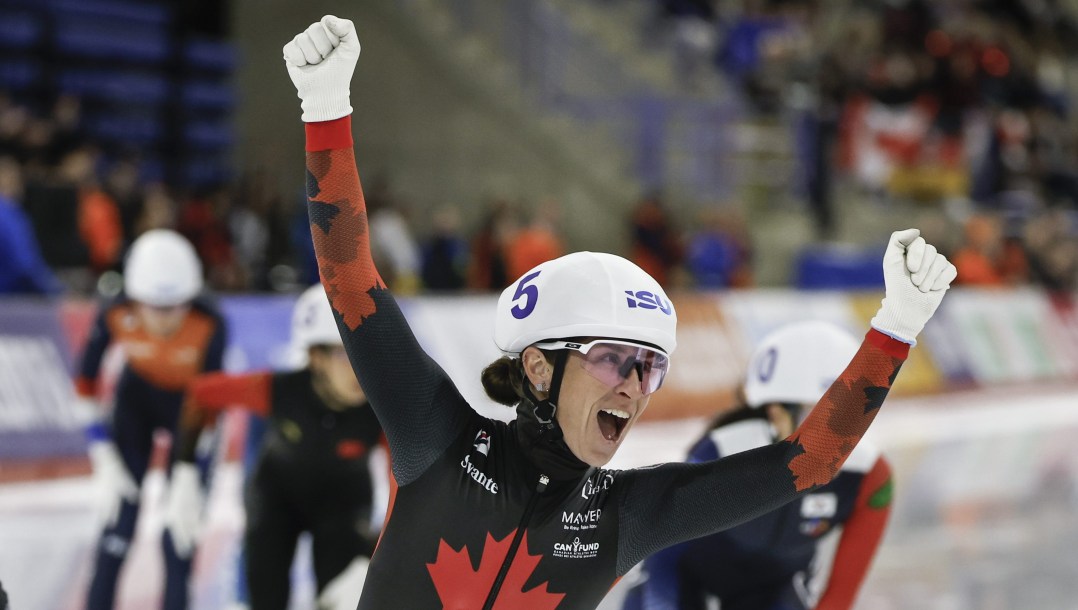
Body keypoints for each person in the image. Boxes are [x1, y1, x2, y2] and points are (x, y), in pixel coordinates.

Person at [282, 15, 956, 608]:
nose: (634, 388)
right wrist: (325, 110)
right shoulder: (438, 438)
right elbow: (350, 280)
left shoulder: (628, 515)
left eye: (649, 369)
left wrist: (896, 328)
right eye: (614, 360)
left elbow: (808, 463)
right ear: (541, 368)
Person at [622, 321, 893, 610]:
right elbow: (666, 551)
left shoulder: (870, 475)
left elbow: (840, 596)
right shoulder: (724, 450)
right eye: (821, 417)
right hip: (682, 569)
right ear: (777, 414)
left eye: (854, 416)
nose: (839, 434)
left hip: (774, 586)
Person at [163, 284, 385, 610]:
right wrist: (183, 470)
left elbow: (408, 491)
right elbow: (201, 392)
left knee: (339, 603)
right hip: (276, 498)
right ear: (315, 358)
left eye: (364, 353)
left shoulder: (383, 408)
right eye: (343, 354)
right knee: (266, 598)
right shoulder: (278, 389)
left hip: (343, 506)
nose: (359, 369)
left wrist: (373, 554)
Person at [77, 229, 227, 610]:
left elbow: (210, 403)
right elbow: (83, 384)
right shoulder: (114, 310)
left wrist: (190, 470)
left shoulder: (211, 322)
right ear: (134, 299)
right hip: (136, 404)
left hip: (190, 413)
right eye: (155, 308)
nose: (165, 318)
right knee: (117, 529)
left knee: (179, 540)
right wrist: (102, 453)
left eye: (176, 306)